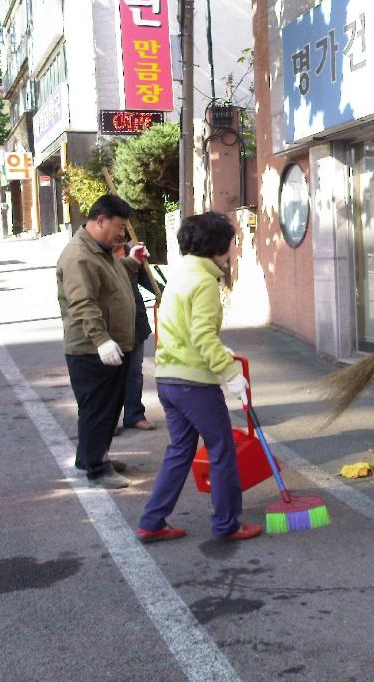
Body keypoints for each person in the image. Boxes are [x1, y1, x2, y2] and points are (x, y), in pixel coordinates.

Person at [136, 211, 261, 543]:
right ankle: (227, 524)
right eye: (232, 243)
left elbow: (185, 328)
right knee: (221, 450)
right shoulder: (205, 281)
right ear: (220, 246)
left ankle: (152, 520)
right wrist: (230, 373)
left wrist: (218, 351)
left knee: (180, 450)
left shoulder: (180, 275)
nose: (233, 250)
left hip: (168, 378)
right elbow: (203, 335)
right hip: (194, 383)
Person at [56, 194, 150, 489]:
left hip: (110, 344)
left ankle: (92, 456)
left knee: (107, 406)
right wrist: (101, 340)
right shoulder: (79, 256)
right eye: (119, 226)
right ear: (100, 221)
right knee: (98, 409)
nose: (122, 234)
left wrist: (131, 263)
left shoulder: (101, 251)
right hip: (91, 349)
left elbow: (113, 277)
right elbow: (82, 302)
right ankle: (97, 467)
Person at [112, 234, 160, 433]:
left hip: (136, 321)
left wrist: (162, 293)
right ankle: (109, 419)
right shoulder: (98, 255)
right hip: (112, 324)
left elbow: (149, 282)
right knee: (111, 375)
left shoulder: (134, 251)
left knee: (134, 372)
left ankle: (134, 415)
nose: (120, 235)